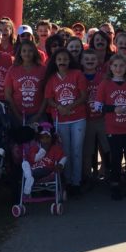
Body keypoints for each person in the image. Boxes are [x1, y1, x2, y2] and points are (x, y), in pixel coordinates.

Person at [95, 54, 126, 200]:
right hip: (113, 128)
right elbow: (98, 106)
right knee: (115, 157)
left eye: (122, 65)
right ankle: (115, 184)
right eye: (115, 65)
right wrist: (112, 109)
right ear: (110, 67)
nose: (118, 68)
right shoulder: (105, 83)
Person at [44, 48, 88, 197]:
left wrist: (69, 107)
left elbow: (83, 96)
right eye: (59, 59)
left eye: (65, 59)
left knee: (76, 150)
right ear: (55, 62)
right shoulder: (51, 79)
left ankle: (76, 182)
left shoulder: (77, 74)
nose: (62, 61)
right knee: (65, 151)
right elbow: (49, 99)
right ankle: (67, 181)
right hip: (60, 120)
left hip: (78, 119)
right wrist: (59, 107)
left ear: (70, 61)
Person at [81, 49, 110, 184]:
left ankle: (106, 173)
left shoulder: (103, 77)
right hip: (86, 119)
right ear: (82, 61)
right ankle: (88, 176)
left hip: (102, 118)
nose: (90, 61)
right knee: (88, 150)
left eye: (92, 59)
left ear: (97, 61)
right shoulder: (79, 77)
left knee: (106, 147)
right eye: (87, 59)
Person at [5, 40, 47, 126]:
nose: (27, 53)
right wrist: (17, 115)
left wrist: (39, 114)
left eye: (30, 51)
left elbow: (47, 94)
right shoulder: (12, 70)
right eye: (24, 51)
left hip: (38, 114)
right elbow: (8, 94)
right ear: (20, 53)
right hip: (17, 114)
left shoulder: (43, 69)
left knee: (41, 139)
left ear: (35, 52)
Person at [21, 123, 66, 196]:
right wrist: (43, 150)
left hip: (47, 169)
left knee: (32, 171)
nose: (45, 140)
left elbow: (63, 157)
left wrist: (61, 164)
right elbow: (34, 159)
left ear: (52, 138)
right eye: (42, 137)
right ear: (39, 138)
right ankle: (29, 178)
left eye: (47, 137)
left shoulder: (54, 148)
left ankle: (29, 178)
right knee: (25, 163)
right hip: (34, 168)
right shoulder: (35, 147)